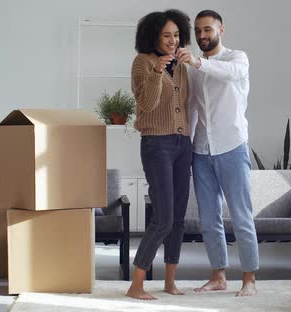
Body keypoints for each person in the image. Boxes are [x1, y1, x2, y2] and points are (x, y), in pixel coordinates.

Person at [174, 9, 259, 297]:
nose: (202, 35)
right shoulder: (195, 71)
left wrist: (198, 63)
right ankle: (218, 275)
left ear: (221, 30)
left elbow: (230, 74)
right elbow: (194, 109)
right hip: (201, 150)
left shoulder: (237, 58)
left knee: (241, 215)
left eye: (207, 29)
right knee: (208, 218)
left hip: (232, 146)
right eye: (198, 31)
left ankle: (249, 279)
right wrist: (187, 146)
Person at [125, 9, 192, 301]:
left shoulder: (182, 65)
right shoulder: (142, 62)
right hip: (157, 144)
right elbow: (146, 105)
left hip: (183, 143)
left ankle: (169, 282)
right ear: (153, 36)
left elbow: (190, 103)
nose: (172, 40)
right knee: (163, 217)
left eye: (176, 35)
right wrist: (156, 73)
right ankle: (136, 284)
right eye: (167, 35)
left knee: (178, 218)